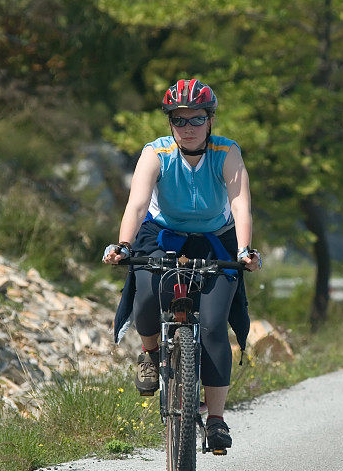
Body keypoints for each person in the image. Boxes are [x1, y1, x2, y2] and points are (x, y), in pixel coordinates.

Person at [103, 78, 261, 451]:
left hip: (216, 239)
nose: (187, 128)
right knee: (145, 296)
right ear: (170, 122)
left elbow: (240, 205)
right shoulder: (155, 153)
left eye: (196, 120)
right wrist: (123, 245)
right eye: (179, 120)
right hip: (160, 235)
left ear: (210, 121)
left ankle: (217, 419)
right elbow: (138, 206)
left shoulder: (228, 152)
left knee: (212, 325)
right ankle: (150, 353)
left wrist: (244, 251)